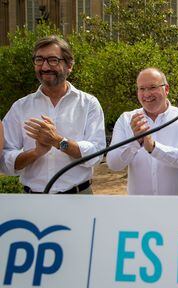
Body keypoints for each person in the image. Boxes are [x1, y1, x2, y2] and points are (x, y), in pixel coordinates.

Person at [1, 35, 106, 193]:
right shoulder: (20, 107)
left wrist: (58, 142)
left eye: (52, 60)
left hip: (79, 199)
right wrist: (36, 153)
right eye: (39, 60)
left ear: (69, 65)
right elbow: (4, 161)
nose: (44, 67)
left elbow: (96, 154)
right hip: (33, 202)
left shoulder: (88, 104)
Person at [106, 68, 178, 195]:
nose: (146, 94)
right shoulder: (126, 119)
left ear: (166, 89)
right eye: (141, 89)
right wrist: (135, 143)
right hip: (140, 207)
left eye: (152, 87)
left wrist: (154, 148)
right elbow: (113, 164)